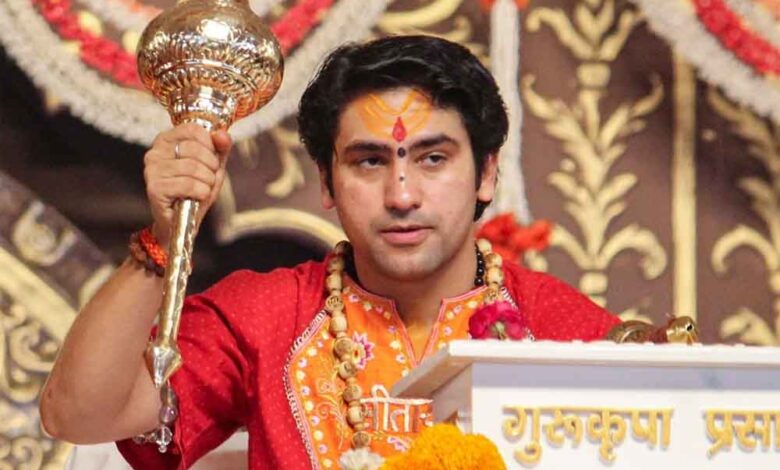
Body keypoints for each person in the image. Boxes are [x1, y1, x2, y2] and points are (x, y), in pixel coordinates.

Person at [39, 35, 620, 470]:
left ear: (486, 173)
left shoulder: (563, 332)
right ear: (326, 181)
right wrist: (163, 242)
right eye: (369, 161)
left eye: (433, 159)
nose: (402, 195)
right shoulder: (264, 317)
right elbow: (78, 415)